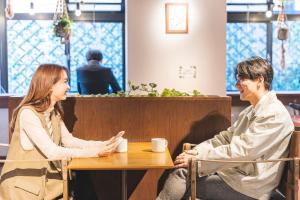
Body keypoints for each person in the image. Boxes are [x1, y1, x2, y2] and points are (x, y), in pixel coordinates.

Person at [157, 57, 294, 200]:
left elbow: (242, 151)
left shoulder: (273, 114)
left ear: (260, 80)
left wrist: (197, 159)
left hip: (250, 188)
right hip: (236, 176)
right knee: (185, 171)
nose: (236, 84)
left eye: (241, 79)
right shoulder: (251, 111)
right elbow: (224, 139)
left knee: (182, 174)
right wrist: (195, 153)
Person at [0, 64, 124, 200]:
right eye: (65, 82)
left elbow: (69, 141)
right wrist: (95, 152)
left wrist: (102, 144)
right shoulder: (28, 113)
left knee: (84, 183)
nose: (69, 87)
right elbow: (52, 151)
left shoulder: (53, 112)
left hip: (48, 184)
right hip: (24, 187)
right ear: (50, 85)